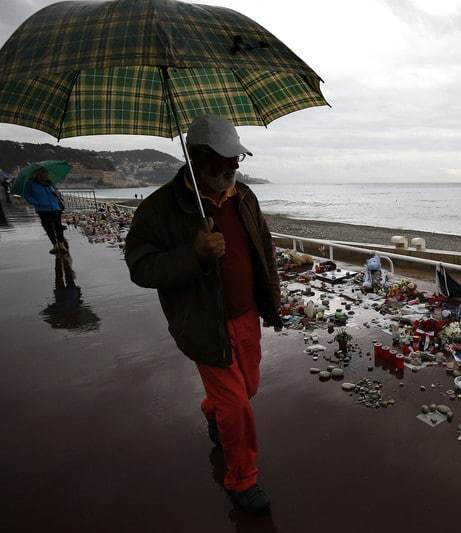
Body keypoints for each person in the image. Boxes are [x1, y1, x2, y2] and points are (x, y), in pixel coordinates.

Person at [124, 114, 282, 514]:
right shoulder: (160, 209)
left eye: (236, 159)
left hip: (245, 315)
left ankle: (210, 409)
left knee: (248, 389)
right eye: (223, 159)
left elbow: (263, 247)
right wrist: (193, 255)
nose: (232, 166)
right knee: (237, 408)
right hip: (202, 323)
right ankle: (242, 480)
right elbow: (141, 268)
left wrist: (272, 303)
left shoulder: (243, 195)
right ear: (196, 158)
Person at [23, 167, 67, 253]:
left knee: (58, 227)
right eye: (44, 173)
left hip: (55, 208)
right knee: (48, 227)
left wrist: (57, 193)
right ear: (38, 174)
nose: (46, 175)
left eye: (46, 173)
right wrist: (38, 202)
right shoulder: (31, 184)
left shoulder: (50, 183)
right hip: (43, 210)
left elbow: (57, 191)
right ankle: (55, 245)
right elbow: (27, 196)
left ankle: (61, 244)